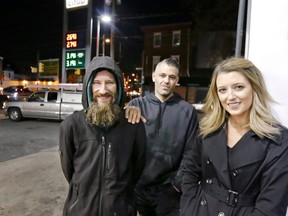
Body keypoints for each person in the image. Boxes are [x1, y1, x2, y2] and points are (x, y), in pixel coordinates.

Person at [180, 57, 288, 216]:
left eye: (238, 87)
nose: (230, 97)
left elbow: (271, 206)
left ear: (254, 88)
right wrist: (189, 208)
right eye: (222, 90)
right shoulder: (209, 127)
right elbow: (189, 170)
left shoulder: (278, 140)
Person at [59, 56, 146, 216]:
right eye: (97, 83)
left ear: (119, 87)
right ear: (88, 87)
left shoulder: (133, 125)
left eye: (110, 82)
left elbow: (137, 169)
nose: (103, 90)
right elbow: (69, 171)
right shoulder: (71, 126)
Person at [128, 58, 199, 216]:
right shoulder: (136, 106)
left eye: (172, 77)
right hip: (138, 190)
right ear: (153, 77)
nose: (166, 80)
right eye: (162, 75)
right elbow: (124, 147)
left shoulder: (188, 112)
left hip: (169, 192)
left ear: (177, 81)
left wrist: (176, 186)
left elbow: (191, 152)